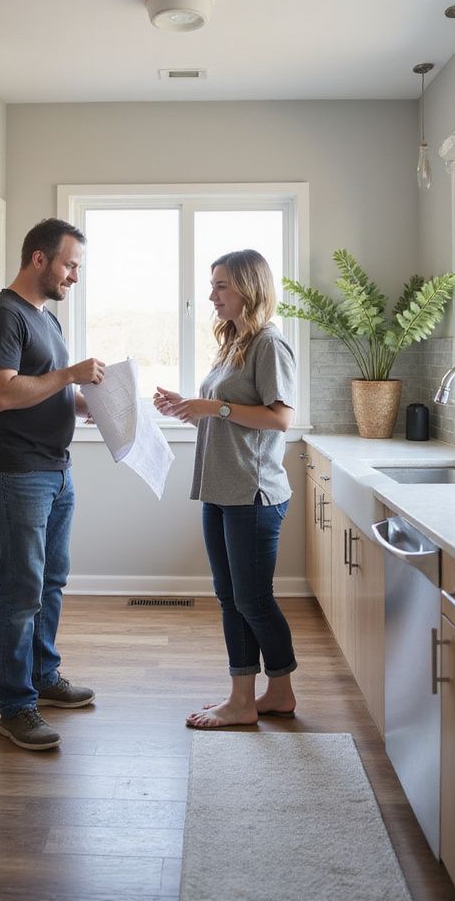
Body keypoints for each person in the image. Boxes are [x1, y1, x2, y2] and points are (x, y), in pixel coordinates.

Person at [0, 218, 105, 750]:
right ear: (39, 260)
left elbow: (40, 389)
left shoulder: (44, 318)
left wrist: (83, 403)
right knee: (23, 587)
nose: (74, 276)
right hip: (16, 472)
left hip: (54, 468)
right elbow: (3, 394)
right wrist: (70, 377)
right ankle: (16, 706)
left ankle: (44, 678)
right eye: (70, 265)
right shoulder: (2, 315)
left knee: (51, 579)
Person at [153, 249, 297, 729]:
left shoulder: (269, 345)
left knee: (252, 599)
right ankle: (258, 695)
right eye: (212, 285)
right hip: (220, 489)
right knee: (231, 596)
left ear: (248, 289)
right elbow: (224, 409)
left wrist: (213, 409)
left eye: (221, 286)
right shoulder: (235, 341)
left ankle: (262, 695)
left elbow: (280, 418)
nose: (212, 295)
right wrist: (188, 405)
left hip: (253, 494)